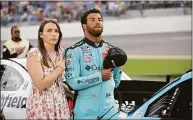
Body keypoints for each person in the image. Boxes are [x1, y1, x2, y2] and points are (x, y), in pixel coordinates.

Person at [64, 8, 122, 119]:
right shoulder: (74, 51)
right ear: (84, 26)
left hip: (110, 110)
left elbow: (116, 82)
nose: (97, 22)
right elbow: (73, 83)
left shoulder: (111, 49)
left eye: (100, 19)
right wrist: (99, 76)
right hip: (86, 111)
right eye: (92, 19)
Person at [26, 18, 73, 119]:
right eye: (49, 30)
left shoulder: (61, 52)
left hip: (60, 103)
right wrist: (59, 68)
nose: (54, 34)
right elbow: (41, 85)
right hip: (42, 104)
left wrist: (71, 93)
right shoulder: (34, 54)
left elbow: (57, 83)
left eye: (56, 31)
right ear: (41, 34)